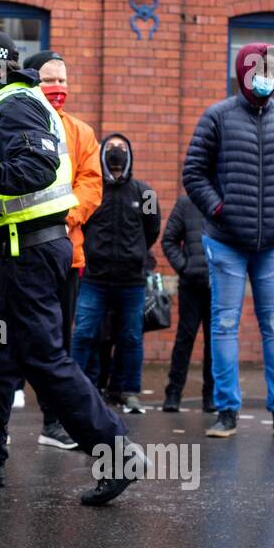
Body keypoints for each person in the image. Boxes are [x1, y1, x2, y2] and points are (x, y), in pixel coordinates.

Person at [0, 29, 142, 504]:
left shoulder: (13, 103)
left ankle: (118, 454)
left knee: (42, 358)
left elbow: (38, 168)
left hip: (27, 253)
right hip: (7, 255)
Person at [183, 42, 274, 439]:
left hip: (272, 243)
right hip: (225, 242)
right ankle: (226, 411)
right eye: (259, 69)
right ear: (243, 72)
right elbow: (194, 173)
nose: (266, 77)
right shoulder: (217, 116)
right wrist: (219, 210)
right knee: (224, 324)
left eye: (272, 70)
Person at [19, 49, 103, 448]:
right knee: (6, 340)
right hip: (21, 251)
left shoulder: (82, 132)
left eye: (64, 80)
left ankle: (54, 422)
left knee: (59, 343)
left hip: (68, 254)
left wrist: (62, 217)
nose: (59, 88)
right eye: (51, 79)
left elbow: (92, 184)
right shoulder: (16, 121)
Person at [70, 134, 159, 413]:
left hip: (131, 281)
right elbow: (80, 225)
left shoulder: (145, 193)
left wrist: (137, 254)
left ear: (130, 154)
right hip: (94, 278)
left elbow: (152, 229)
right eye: (111, 148)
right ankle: (77, 387)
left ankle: (129, 390)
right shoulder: (93, 192)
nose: (117, 153)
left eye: (121, 148)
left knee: (131, 337)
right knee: (84, 334)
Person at [161, 193, 214, 413]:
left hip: (220, 285)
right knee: (185, 338)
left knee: (215, 343)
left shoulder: (226, 200)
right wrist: (184, 267)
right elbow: (168, 240)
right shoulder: (185, 203)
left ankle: (210, 396)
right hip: (191, 285)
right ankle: (173, 394)